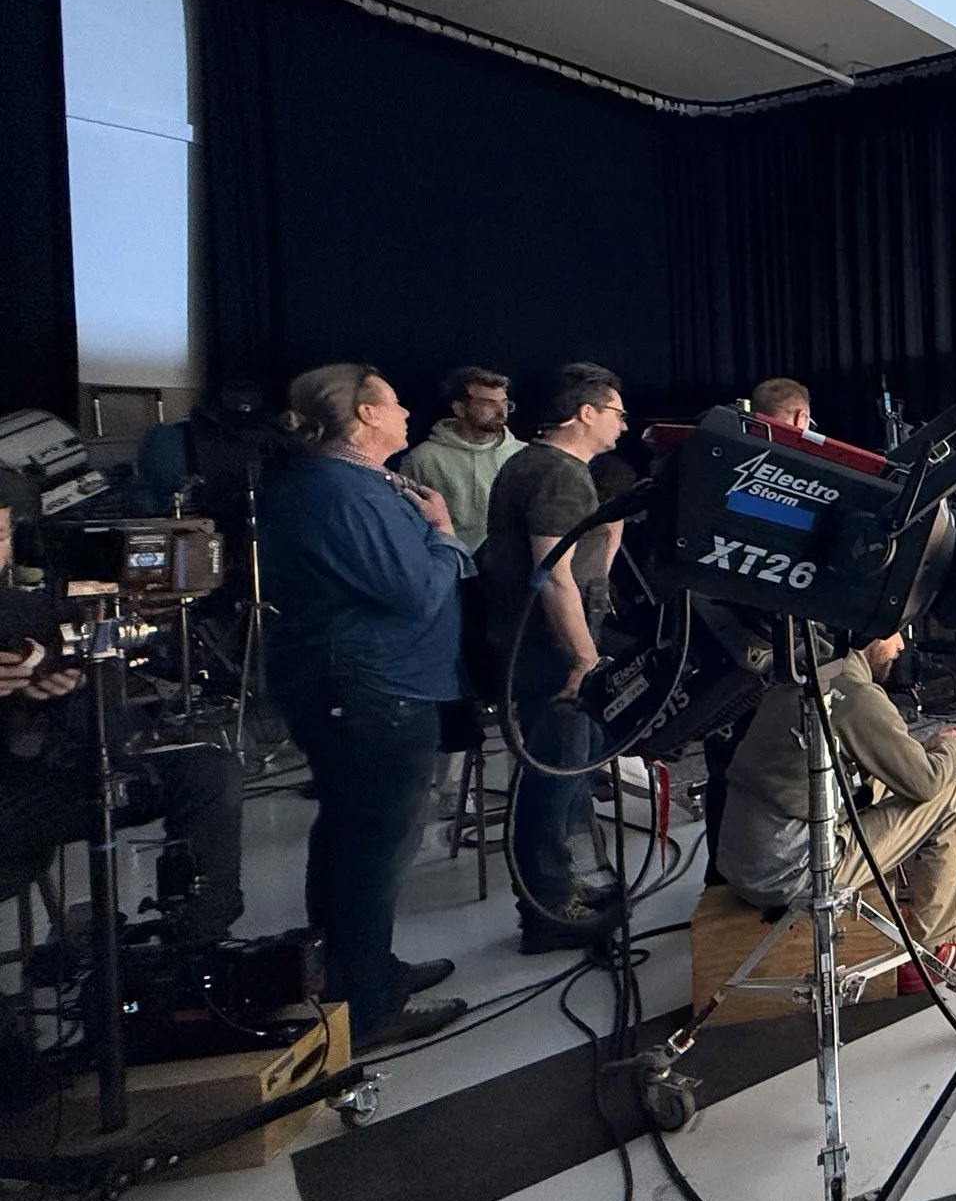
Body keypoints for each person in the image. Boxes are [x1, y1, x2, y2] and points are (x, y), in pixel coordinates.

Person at [259, 365, 469, 1049]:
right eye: (395, 400)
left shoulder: (348, 482)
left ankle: (363, 968)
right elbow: (412, 590)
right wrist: (443, 534)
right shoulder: (340, 492)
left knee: (358, 839)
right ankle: (367, 1002)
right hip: (372, 691)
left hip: (376, 684)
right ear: (365, 415)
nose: (409, 409)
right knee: (370, 848)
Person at [0, 503, 246, 948]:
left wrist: (74, 678)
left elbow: (107, 719)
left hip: (47, 782)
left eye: (0, 537)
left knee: (209, 773)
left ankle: (196, 950)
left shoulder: (21, 610)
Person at [714, 631, 956, 995]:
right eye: (895, 634)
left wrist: (919, 752)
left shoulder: (803, 673)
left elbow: (881, 763)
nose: (901, 645)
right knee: (955, 795)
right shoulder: (853, 695)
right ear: (869, 637)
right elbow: (927, 783)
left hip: (743, 860)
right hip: (792, 873)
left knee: (888, 780)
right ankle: (933, 948)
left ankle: (914, 913)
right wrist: (948, 748)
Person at [477, 363, 629, 950]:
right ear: (586, 413)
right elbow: (554, 576)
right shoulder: (558, 475)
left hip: (540, 645)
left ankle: (556, 887)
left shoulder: (539, 465)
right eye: (616, 413)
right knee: (553, 777)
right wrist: (585, 657)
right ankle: (547, 909)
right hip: (548, 652)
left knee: (568, 769)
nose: (621, 425)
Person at [400, 367, 526, 550]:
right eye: (488, 403)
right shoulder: (423, 459)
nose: (501, 412)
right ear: (459, 408)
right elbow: (408, 522)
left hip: (510, 569)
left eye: (505, 403)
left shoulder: (523, 455)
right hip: (450, 565)